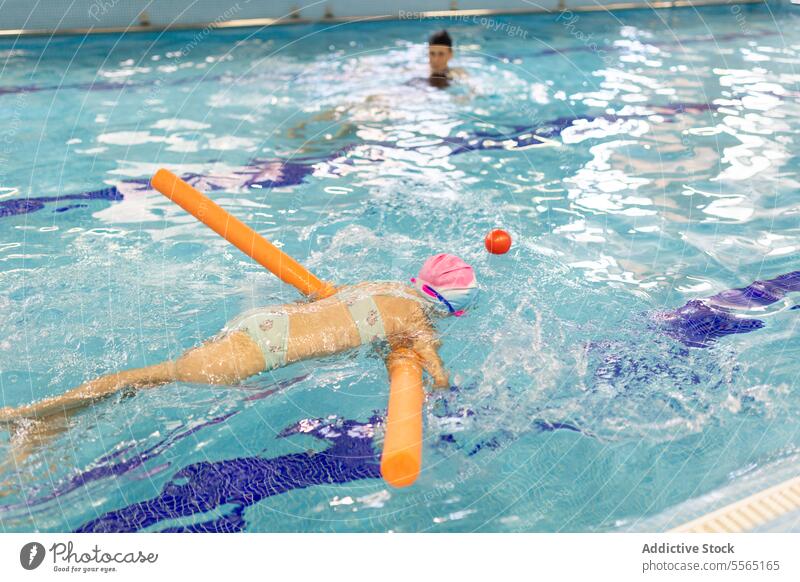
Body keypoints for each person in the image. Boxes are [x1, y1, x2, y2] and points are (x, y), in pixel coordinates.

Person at [0, 254, 478, 424]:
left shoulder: (384, 286)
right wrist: (445, 391)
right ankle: (32, 414)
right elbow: (435, 378)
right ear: (451, 305)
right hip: (257, 353)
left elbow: (341, 311)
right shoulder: (419, 320)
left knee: (152, 379)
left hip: (264, 322)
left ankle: (51, 419)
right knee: (151, 378)